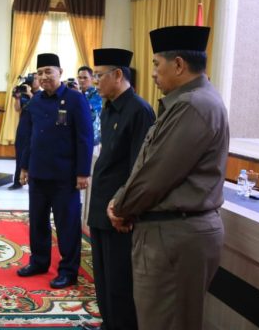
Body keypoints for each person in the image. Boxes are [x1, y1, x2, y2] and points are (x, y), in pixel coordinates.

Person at [108, 26, 227, 330]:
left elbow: (156, 175)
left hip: (175, 237)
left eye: (156, 64)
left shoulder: (193, 105)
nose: (152, 74)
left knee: (164, 322)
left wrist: (120, 207)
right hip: (169, 234)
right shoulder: (191, 100)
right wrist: (122, 200)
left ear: (178, 64)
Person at [88, 48, 155, 330]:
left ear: (118, 75)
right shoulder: (108, 107)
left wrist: (124, 208)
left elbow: (140, 169)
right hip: (101, 207)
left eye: (99, 75)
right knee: (102, 278)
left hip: (120, 212)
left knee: (120, 282)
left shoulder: (139, 111)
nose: (95, 82)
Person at [17, 53, 93, 289]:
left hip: (65, 176)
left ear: (60, 72)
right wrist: (24, 167)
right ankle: (39, 262)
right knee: (38, 222)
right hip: (38, 174)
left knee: (67, 225)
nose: (44, 76)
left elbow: (85, 137)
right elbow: (28, 138)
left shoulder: (75, 99)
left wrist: (83, 172)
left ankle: (68, 271)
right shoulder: (35, 101)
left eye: (48, 71)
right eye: (40, 73)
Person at [9, 73, 40, 190]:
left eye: (36, 79)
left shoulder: (41, 95)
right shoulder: (24, 93)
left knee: (33, 156)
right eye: (33, 79)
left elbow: (39, 106)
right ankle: (17, 181)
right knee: (19, 155)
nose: (34, 81)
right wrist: (17, 98)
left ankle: (33, 182)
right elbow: (17, 109)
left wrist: (29, 94)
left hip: (35, 128)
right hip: (23, 126)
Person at [77, 66, 103, 146]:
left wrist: (77, 95)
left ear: (92, 78)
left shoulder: (97, 93)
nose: (82, 80)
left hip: (92, 138)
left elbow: (88, 109)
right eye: (80, 78)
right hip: (77, 137)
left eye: (85, 78)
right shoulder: (75, 93)